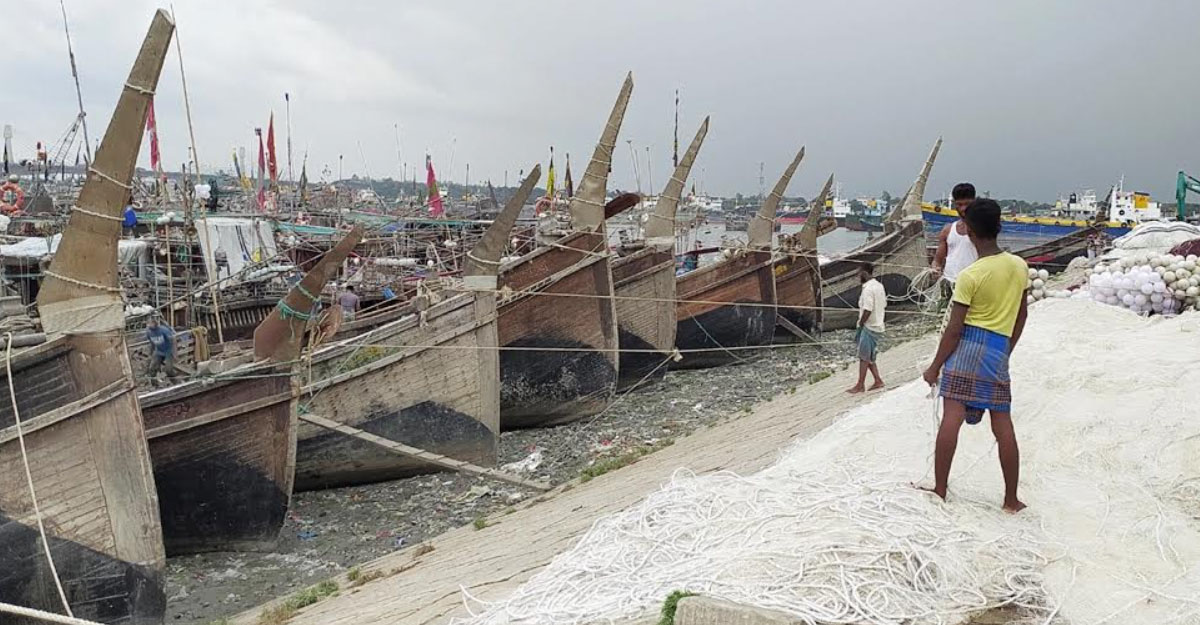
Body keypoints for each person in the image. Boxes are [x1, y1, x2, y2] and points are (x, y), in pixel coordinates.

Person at [921, 198, 1029, 513]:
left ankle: (940, 489)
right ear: (999, 226)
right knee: (1002, 424)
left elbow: (953, 330)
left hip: (967, 347)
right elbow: (1021, 315)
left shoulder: (970, 275)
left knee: (951, 419)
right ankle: (1011, 499)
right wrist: (1005, 349)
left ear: (968, 232)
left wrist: (934, 367)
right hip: (998, 348)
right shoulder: (1019, 266)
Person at [848, 262, 886, 393]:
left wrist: (861, 323)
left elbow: (868, 309)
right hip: (878, 324)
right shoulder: (879, 286)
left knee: (864, 357)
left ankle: (860, 385)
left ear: (864, 273)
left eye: (859, 274)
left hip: (869, 326)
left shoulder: (868, 289)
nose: (858, 277)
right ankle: (878, 380)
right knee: (869, 356)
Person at [932, 183, 980, 284]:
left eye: (967, 204)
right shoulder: (947, 230)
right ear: (955, 204)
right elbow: (938, 260)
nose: (963, 209)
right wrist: (935, 269)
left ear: (974, 203)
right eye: (959, 204)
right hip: (950, 283)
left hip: (975, 284)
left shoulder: (982, 229)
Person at [145, 316, 182, 386]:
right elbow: (152, 343)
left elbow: (173, 340)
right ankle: (155, 385)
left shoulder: (163, 330)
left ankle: (176, 383)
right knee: (152, 369)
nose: (150, 325)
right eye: (148, 323)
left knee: (168, 370)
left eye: (151, 323)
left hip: (168, 351)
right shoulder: (148, 332)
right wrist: (150, 354)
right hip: (159, 351)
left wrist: (175, 353)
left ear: (155, 323)